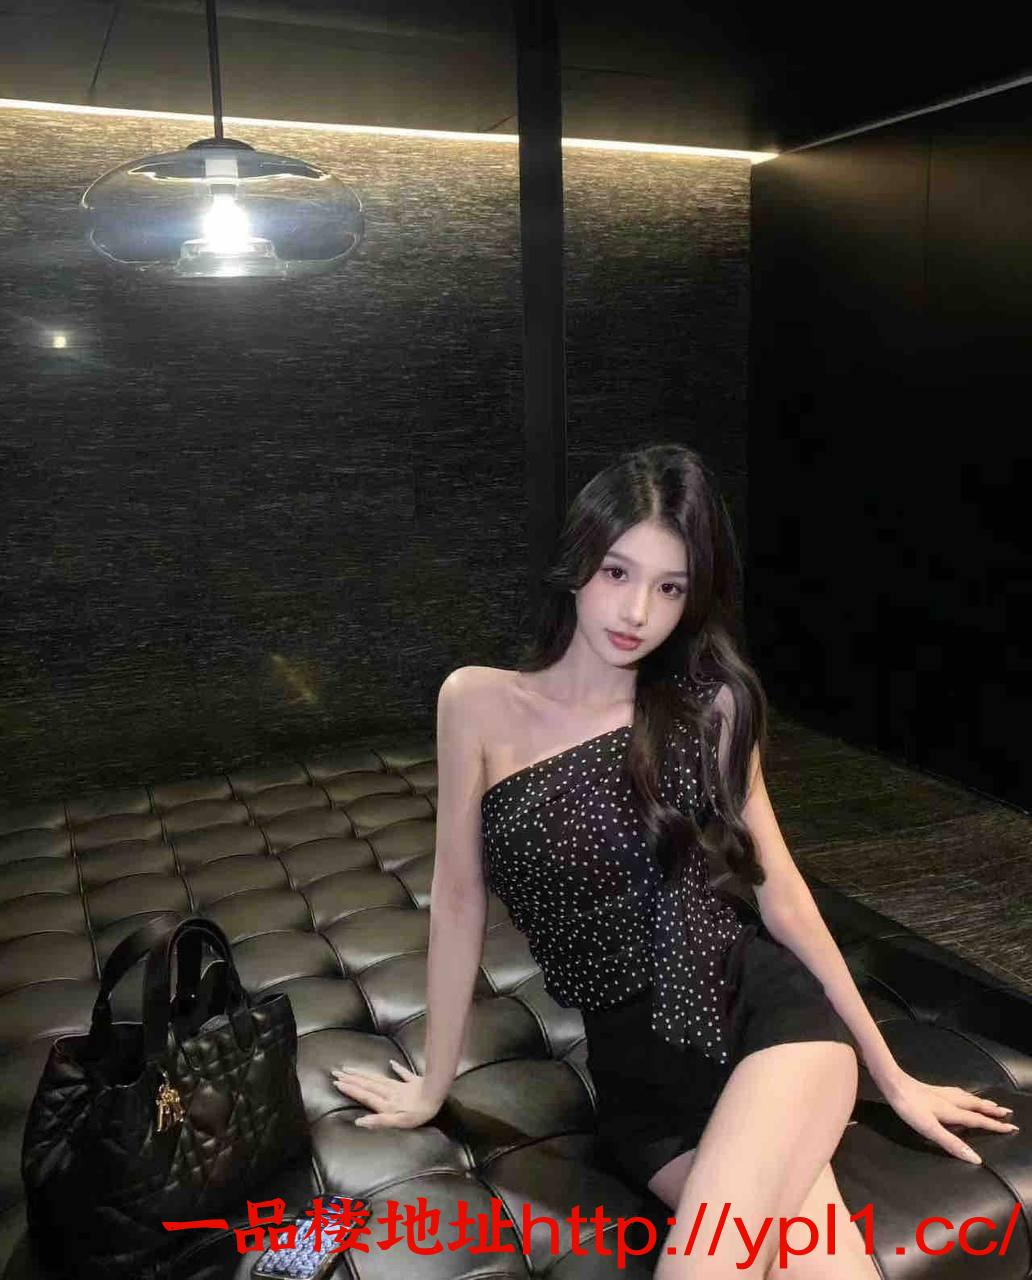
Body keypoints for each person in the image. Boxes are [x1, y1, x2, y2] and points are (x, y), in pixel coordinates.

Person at [329, 443, 1018, 1277]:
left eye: (670, 587)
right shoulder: (474, 701)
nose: (636, 612)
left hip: (769, 1027)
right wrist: (434, 1084)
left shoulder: (709, 708)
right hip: (643, 1095)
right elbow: (458, 900)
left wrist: (892, 1074)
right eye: (618, 573)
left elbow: (784, 897)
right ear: (579, 561)